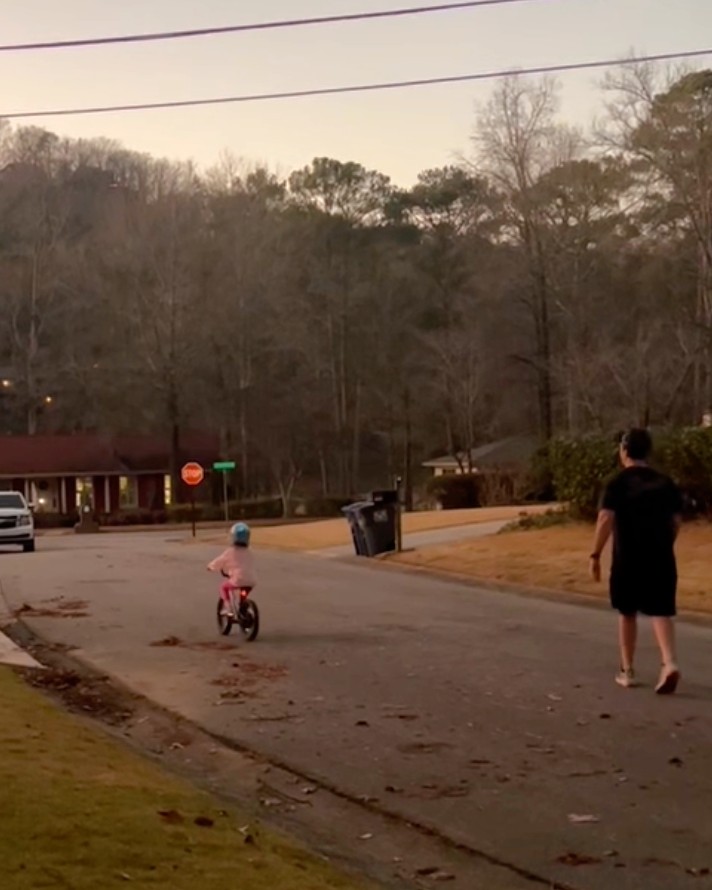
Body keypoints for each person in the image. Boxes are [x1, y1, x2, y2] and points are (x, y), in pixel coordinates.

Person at [590, 428, 683, 694]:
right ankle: (669, 662)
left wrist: (595, 554)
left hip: (628, 558)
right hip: (661, 557)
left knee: (627, 611)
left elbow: (605, 518)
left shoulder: (617, 483)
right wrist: (665, 542)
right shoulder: (665, 483)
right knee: (661, 610)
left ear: (624, 450)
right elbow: (676, 520)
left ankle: (627, 669)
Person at [207, 522, 256, 618]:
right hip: (251, 580)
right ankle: (243, 608)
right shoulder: (250, 551)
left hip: (238, 579)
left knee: (224, 587)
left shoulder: (230, 551)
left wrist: (210, 567)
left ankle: (228, 608)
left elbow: (219, 561)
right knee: (243, 594)